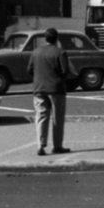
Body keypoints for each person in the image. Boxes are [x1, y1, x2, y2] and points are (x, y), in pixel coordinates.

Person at [27, 27, 73, 155]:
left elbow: (29, 69)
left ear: (45, 38)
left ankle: (40, 146)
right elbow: (65, 71)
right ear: (56, 39)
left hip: (38, 88)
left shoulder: (35, 52)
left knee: (41, 116)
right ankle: (57, 146)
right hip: (56, 88)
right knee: (57, 118)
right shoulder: (60, 52)